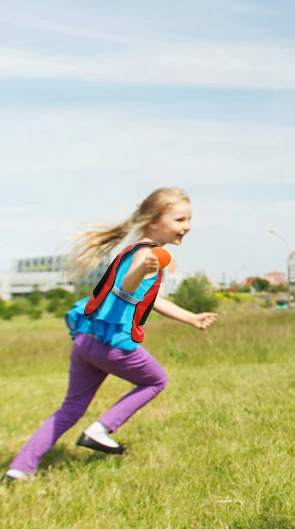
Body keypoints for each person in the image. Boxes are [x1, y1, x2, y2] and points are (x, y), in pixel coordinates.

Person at [4, 188, 216, 482]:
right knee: (156, 380)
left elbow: (149, 298)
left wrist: (190, 317)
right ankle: (99, 430)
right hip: (113, 345)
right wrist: (143, 268)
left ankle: (19, 469)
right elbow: (128, 286)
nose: (187, 226)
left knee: (70, 408)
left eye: (189, 219)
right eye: (180, 219)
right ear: (154, 222)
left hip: (86, 340)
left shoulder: (135, 251)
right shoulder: (146, 255)